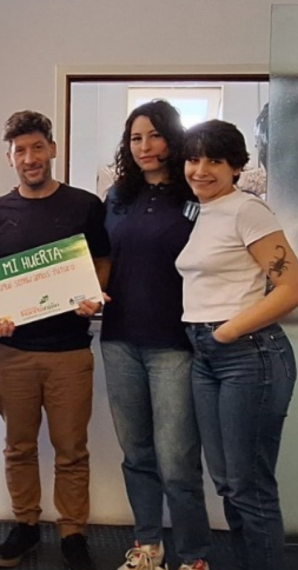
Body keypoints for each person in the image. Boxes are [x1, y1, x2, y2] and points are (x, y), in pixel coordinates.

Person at [0, 110, 110, 570]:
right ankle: (26, 525)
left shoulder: (85, 205)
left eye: (37, 147)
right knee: (19, 448)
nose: (29, 158)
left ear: (52, 148)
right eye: (20, 151)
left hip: (69, 352)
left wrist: (93, 296)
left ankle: (73, 533)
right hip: (13, 354)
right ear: (9, 157)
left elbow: (102, 262)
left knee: (72, 450)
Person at [176, 120, 298, 570]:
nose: (200, 170)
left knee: (249, 486)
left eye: (214, 160)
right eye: (193, 159)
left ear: (236, 167)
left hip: (248, 356)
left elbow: (294, 288)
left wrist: (226, 332)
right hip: (206, 357)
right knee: (229, 484)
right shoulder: (203, 212)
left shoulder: (247, 210)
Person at [101, 101, 212, 570]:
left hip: (174, 345)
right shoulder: (116, 197)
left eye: (154, 135)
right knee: (137, 455)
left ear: (173, 138)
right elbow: (100, 261)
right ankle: (148, 547)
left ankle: (193, 557)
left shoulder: (196, 196)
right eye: (135, 138)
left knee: (178, 461)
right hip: (118, 340)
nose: (144, 146)